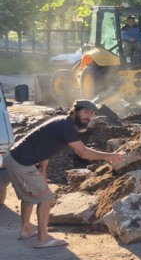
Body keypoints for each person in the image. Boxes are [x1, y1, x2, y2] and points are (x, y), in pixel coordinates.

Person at [0, 99, 124, 248]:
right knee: (45, 198)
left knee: (31, 195)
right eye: (85, 112)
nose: (89, 117)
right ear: (75, 111)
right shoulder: (67, 127)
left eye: (92, 114)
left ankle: (26, 230)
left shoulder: (62, 122)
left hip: (16, 159)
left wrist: (43, 170)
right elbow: (83, 153)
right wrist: (109, 156)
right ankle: (42, 239)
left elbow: (44, 145)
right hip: (22, 163)